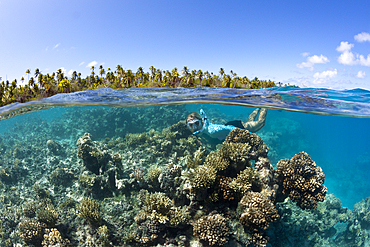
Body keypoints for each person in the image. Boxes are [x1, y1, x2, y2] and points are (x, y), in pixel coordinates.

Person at [186, 108, 267, 140]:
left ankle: (264, 104)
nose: (194, 127)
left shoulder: (212, 131)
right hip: (228, 130)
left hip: (236, 127)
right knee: (250, 123)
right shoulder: (198, 134)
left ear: (201, 121)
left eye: (196, 123)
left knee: (261, 123)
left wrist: (250, 135)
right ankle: (257, 108)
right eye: (190, 125)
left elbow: (231, 129)